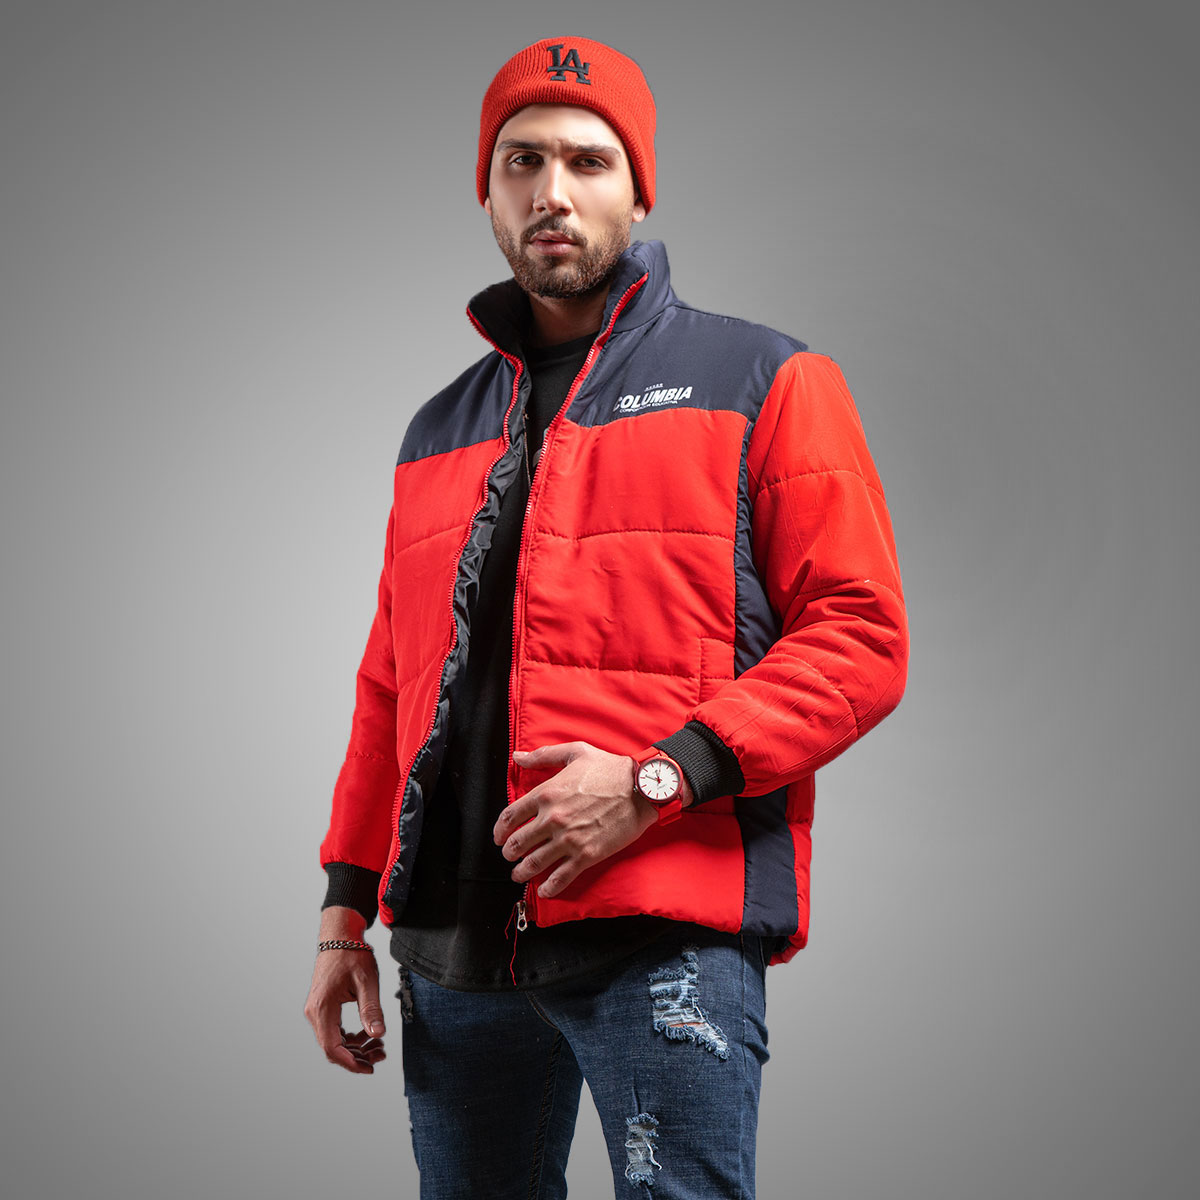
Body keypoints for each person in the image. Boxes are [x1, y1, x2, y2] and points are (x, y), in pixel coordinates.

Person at [304, 36, 908, 1198]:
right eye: (522, 162)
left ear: (639, 192)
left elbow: (862, 639)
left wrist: (653, 781)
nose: (553, 192)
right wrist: (343, 917)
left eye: (588, 162)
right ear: (487, 194)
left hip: (660, 937)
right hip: (451, 958)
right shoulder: (437, 430)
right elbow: (390, 689)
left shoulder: (765, 381)